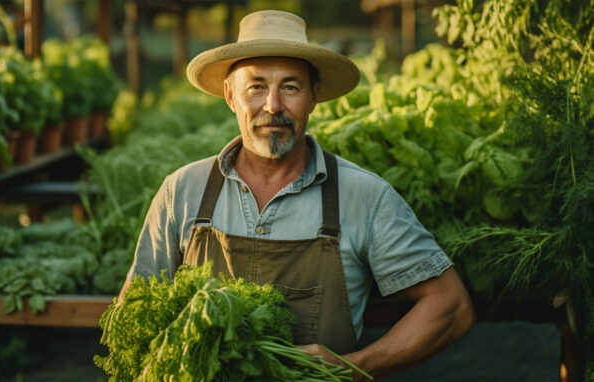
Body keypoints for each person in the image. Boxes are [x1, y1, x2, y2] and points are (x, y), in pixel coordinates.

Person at [119, 9, 475, 380]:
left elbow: (450, 306)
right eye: (256, 86)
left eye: (290, 87)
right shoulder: (183, 190)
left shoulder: (364, 197)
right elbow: (136, 307)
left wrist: (355, 367)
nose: (273, 105)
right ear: (230, 96)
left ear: (314, 95)